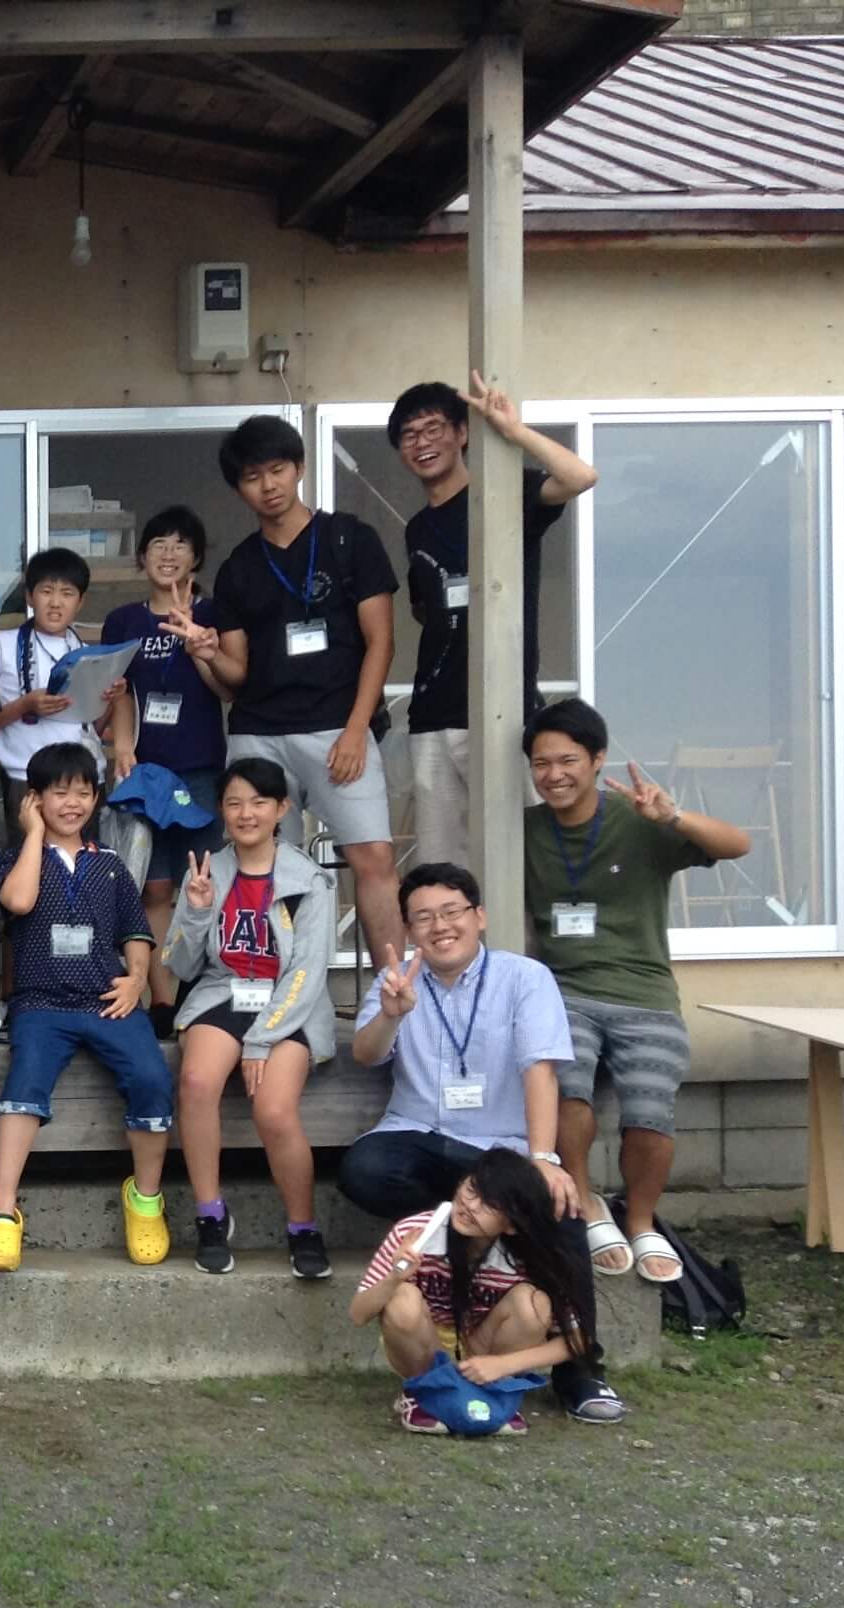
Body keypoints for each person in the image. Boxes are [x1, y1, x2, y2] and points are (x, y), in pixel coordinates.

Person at [339, 861, 626, 1425]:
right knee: (364, 1168)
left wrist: (543, 1159)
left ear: (479, 917)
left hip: (498, 1149)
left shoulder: (525, 978)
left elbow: (539, 1069)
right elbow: (366, 1054)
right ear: (407, 927)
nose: (439, 926)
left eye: (452, 912)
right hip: (418, 1137)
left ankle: (581, 1368)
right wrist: (391, 1016)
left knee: (558, 1202)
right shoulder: (396, 978)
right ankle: (467, 1242)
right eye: (423, 917)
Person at [523, 699, 750, 1286]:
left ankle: (643, 1220)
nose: (554, 774)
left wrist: (672, 817)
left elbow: (737, 845)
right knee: (563, 1080)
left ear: (598, 760)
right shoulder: (524, 831)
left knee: (651, 1107)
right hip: (563, 988)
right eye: (541, 763)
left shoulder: (639, 822)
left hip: (643, 991)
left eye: (568, 760)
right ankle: (584, 1200)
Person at [206, 414, 404, 976]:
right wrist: (204, 652)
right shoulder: (238, 567)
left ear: (299, 467)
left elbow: (381, 643)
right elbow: (236, 676)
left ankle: (395, 993)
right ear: (238, 487)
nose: (268, 485)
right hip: (257, 734)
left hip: (338, 727)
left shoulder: (350, 539)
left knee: (374, 858)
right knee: (262, 866)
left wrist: (355, 729)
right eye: (252, 477)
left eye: (277, 469)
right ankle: (278, 991)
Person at [0, 742, 173, 1271]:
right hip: (40, 1003)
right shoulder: (12, 861)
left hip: (106, 998)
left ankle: (146, 1200)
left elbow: (136, 931)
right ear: (33, 799)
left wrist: (136, 981)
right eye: (58, 792)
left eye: (83, 792)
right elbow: (17, 903)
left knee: (152, 1077)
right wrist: (35, 835)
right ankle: (0, 1212)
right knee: (24, 1085)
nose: (72, 803)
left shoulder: (110, 865)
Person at [391, 374, 600, 870]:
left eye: (434, 428)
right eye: (409, 435)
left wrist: (513, 430)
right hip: (433, 718)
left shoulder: (506, 495)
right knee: (445, 870)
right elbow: (427, 609)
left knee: (523, 864)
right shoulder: (418, 527)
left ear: (463, 433)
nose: (422, 443)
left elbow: (580, 477)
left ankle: (523, 953)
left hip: (506, 714)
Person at [163, 758, 336, 1278]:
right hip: (224, 992)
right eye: (234, 802)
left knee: (274, 1110)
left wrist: (261, 1040)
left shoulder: (311, 879)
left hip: (289, 1002)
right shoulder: (209, 869)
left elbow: (306, 973)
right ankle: (210, 1215)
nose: (246, 813)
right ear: (222, 809)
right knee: (195, 1080)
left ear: (282, 808)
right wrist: (195, 910)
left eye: (259, 802)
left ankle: (302, 1226)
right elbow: (183, 964)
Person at [348, 1148, 605, 1436]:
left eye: (489, 1204)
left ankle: (496, 1392)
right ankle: (423, 1394)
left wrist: (502, 1365)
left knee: (534, 1303)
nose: (470, 1205)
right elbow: (358, 1314)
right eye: (470, 1189)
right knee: (401, 1299)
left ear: (511, 1225)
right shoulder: (416, 1232)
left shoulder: (527, 1256)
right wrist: (395, 1277)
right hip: (425, 1345)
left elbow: (580, 1338)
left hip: (484, 1347)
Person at [100, 506, 232, 1024]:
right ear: (141, 557)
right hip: (146, 774)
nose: (169, 553)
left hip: (200, 767)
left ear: (196, 556)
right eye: (158, 544)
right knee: (151, 885)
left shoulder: (215, 613)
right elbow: (122, 693)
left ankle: (198, 988)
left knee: (202, 880)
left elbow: (227, 689)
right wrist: (124, 749)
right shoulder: (124, 621)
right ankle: (158, 996)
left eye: (180, 544)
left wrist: (198, 642)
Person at [0, 547, 97, 1043]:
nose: (55, 602)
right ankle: (16, 998)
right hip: (24, 782)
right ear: (29, 596)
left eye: (67, 593)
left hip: (81, 785)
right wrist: (24, 705)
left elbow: (98, 720)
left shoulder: (89, 650)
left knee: (81, 894)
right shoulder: (0, 645)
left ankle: (79, 991)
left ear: (80, 602)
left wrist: (108, 702)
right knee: (21, 897)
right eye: (46, 591)